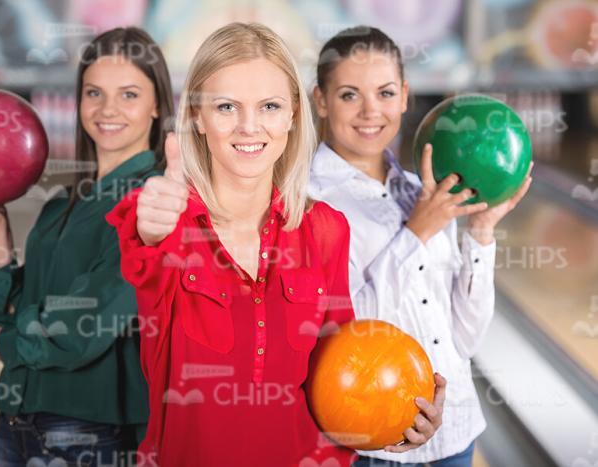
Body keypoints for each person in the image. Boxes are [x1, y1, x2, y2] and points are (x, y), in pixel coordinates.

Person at [106, 22, 444, 467]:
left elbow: (341, 369)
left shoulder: (324, 230)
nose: (249, 126)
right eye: (226, 106)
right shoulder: (168, 224)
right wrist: (152, 225)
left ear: (292, 116)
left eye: (269, 105)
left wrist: (398, 411)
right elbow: (143, 247)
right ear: (196, 117)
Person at [0, 26, 174, 467]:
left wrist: (10, 339)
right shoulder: (61, 205)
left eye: (129, 95)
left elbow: (84, 326)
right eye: (94, 93)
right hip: (17, 418)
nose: (107, 109)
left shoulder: (154, 202)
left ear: (157, 103)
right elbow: (1, 318)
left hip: (88, 431)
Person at [309, 26, 532, 467]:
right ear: (320, 99)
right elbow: (347, 340)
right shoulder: (309, 203)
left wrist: (481, 234)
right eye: (349, 95)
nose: (371, 111)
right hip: (374, 445)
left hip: (456, 434)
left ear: (406, 95)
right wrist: (416, 234)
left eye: (386, 92)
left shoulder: (421, 192)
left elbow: (464, 339)